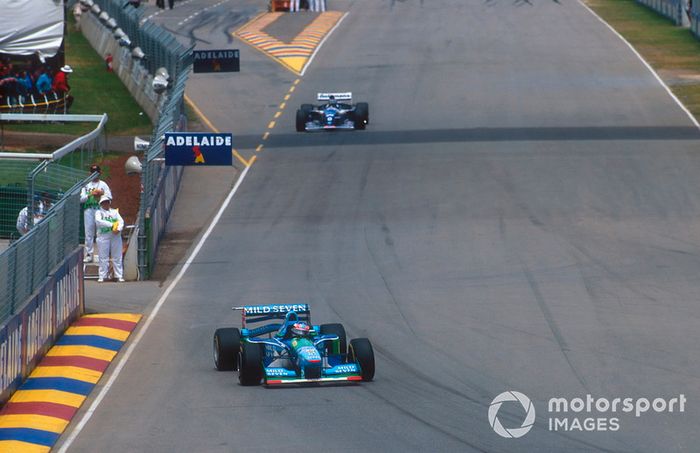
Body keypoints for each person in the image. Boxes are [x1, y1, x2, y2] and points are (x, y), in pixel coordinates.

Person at [80, 165, 112, 262]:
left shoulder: (103, 184)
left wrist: (101, 194)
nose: (95, 175)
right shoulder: (86, 185)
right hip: (89, 209)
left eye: (97, 173)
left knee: (100, 232)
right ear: (89, 173)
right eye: (93, 173)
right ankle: (89, 254)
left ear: (100, 173)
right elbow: (81, 199)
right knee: (89, 233)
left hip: (99, 209)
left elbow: (110, 197)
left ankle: (102, 254)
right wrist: (90, 194)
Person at [94, 195, 124, 283]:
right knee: (103, 257)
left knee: (117, 256)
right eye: (103, 202)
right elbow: (99, 222)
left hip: (115, 236)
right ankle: (102, 276)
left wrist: (119, 229)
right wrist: (112, 225)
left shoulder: (115, 212)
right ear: (101, 204)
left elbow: (121, 221)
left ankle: (119, 275)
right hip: (103, 236)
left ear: (109, 203)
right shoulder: (98, 212)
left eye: (107, 202)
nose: (105, 204)